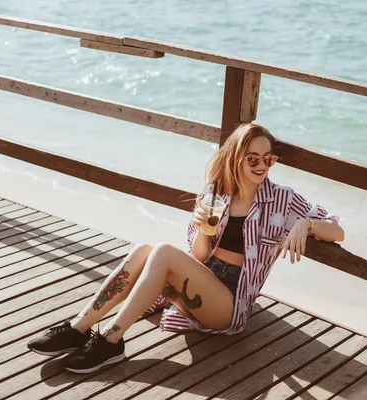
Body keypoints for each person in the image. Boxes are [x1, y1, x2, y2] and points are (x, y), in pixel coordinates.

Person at [27, 123, 345, 374]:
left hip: (229, 303)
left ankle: (110, 339)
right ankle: (78, 328)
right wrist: (206, 225)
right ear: (236, 158)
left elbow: (337, 230)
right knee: (143, 251)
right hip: (202, 281)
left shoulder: (281, 199)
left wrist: (307, 224)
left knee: (162, 251)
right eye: (253, 158)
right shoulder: (216, 191)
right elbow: (201, 255)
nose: (261, 165)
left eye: (268, 158)